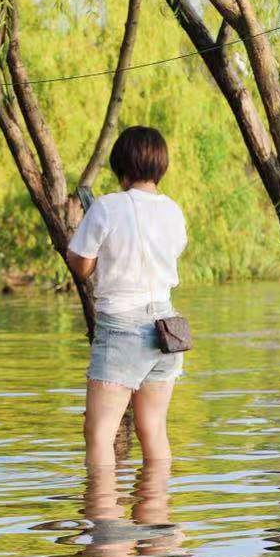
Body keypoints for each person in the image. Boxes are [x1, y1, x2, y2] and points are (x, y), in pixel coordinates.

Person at [67, 125, 188, 470]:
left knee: (99, 433)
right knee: (154, 430)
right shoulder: (173, 211)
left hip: (122, 328)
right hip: (168, 328)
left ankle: (103, 520)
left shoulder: (106, 207)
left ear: (121, 165)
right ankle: (158, 516)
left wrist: (81, 230)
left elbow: (81, 266)